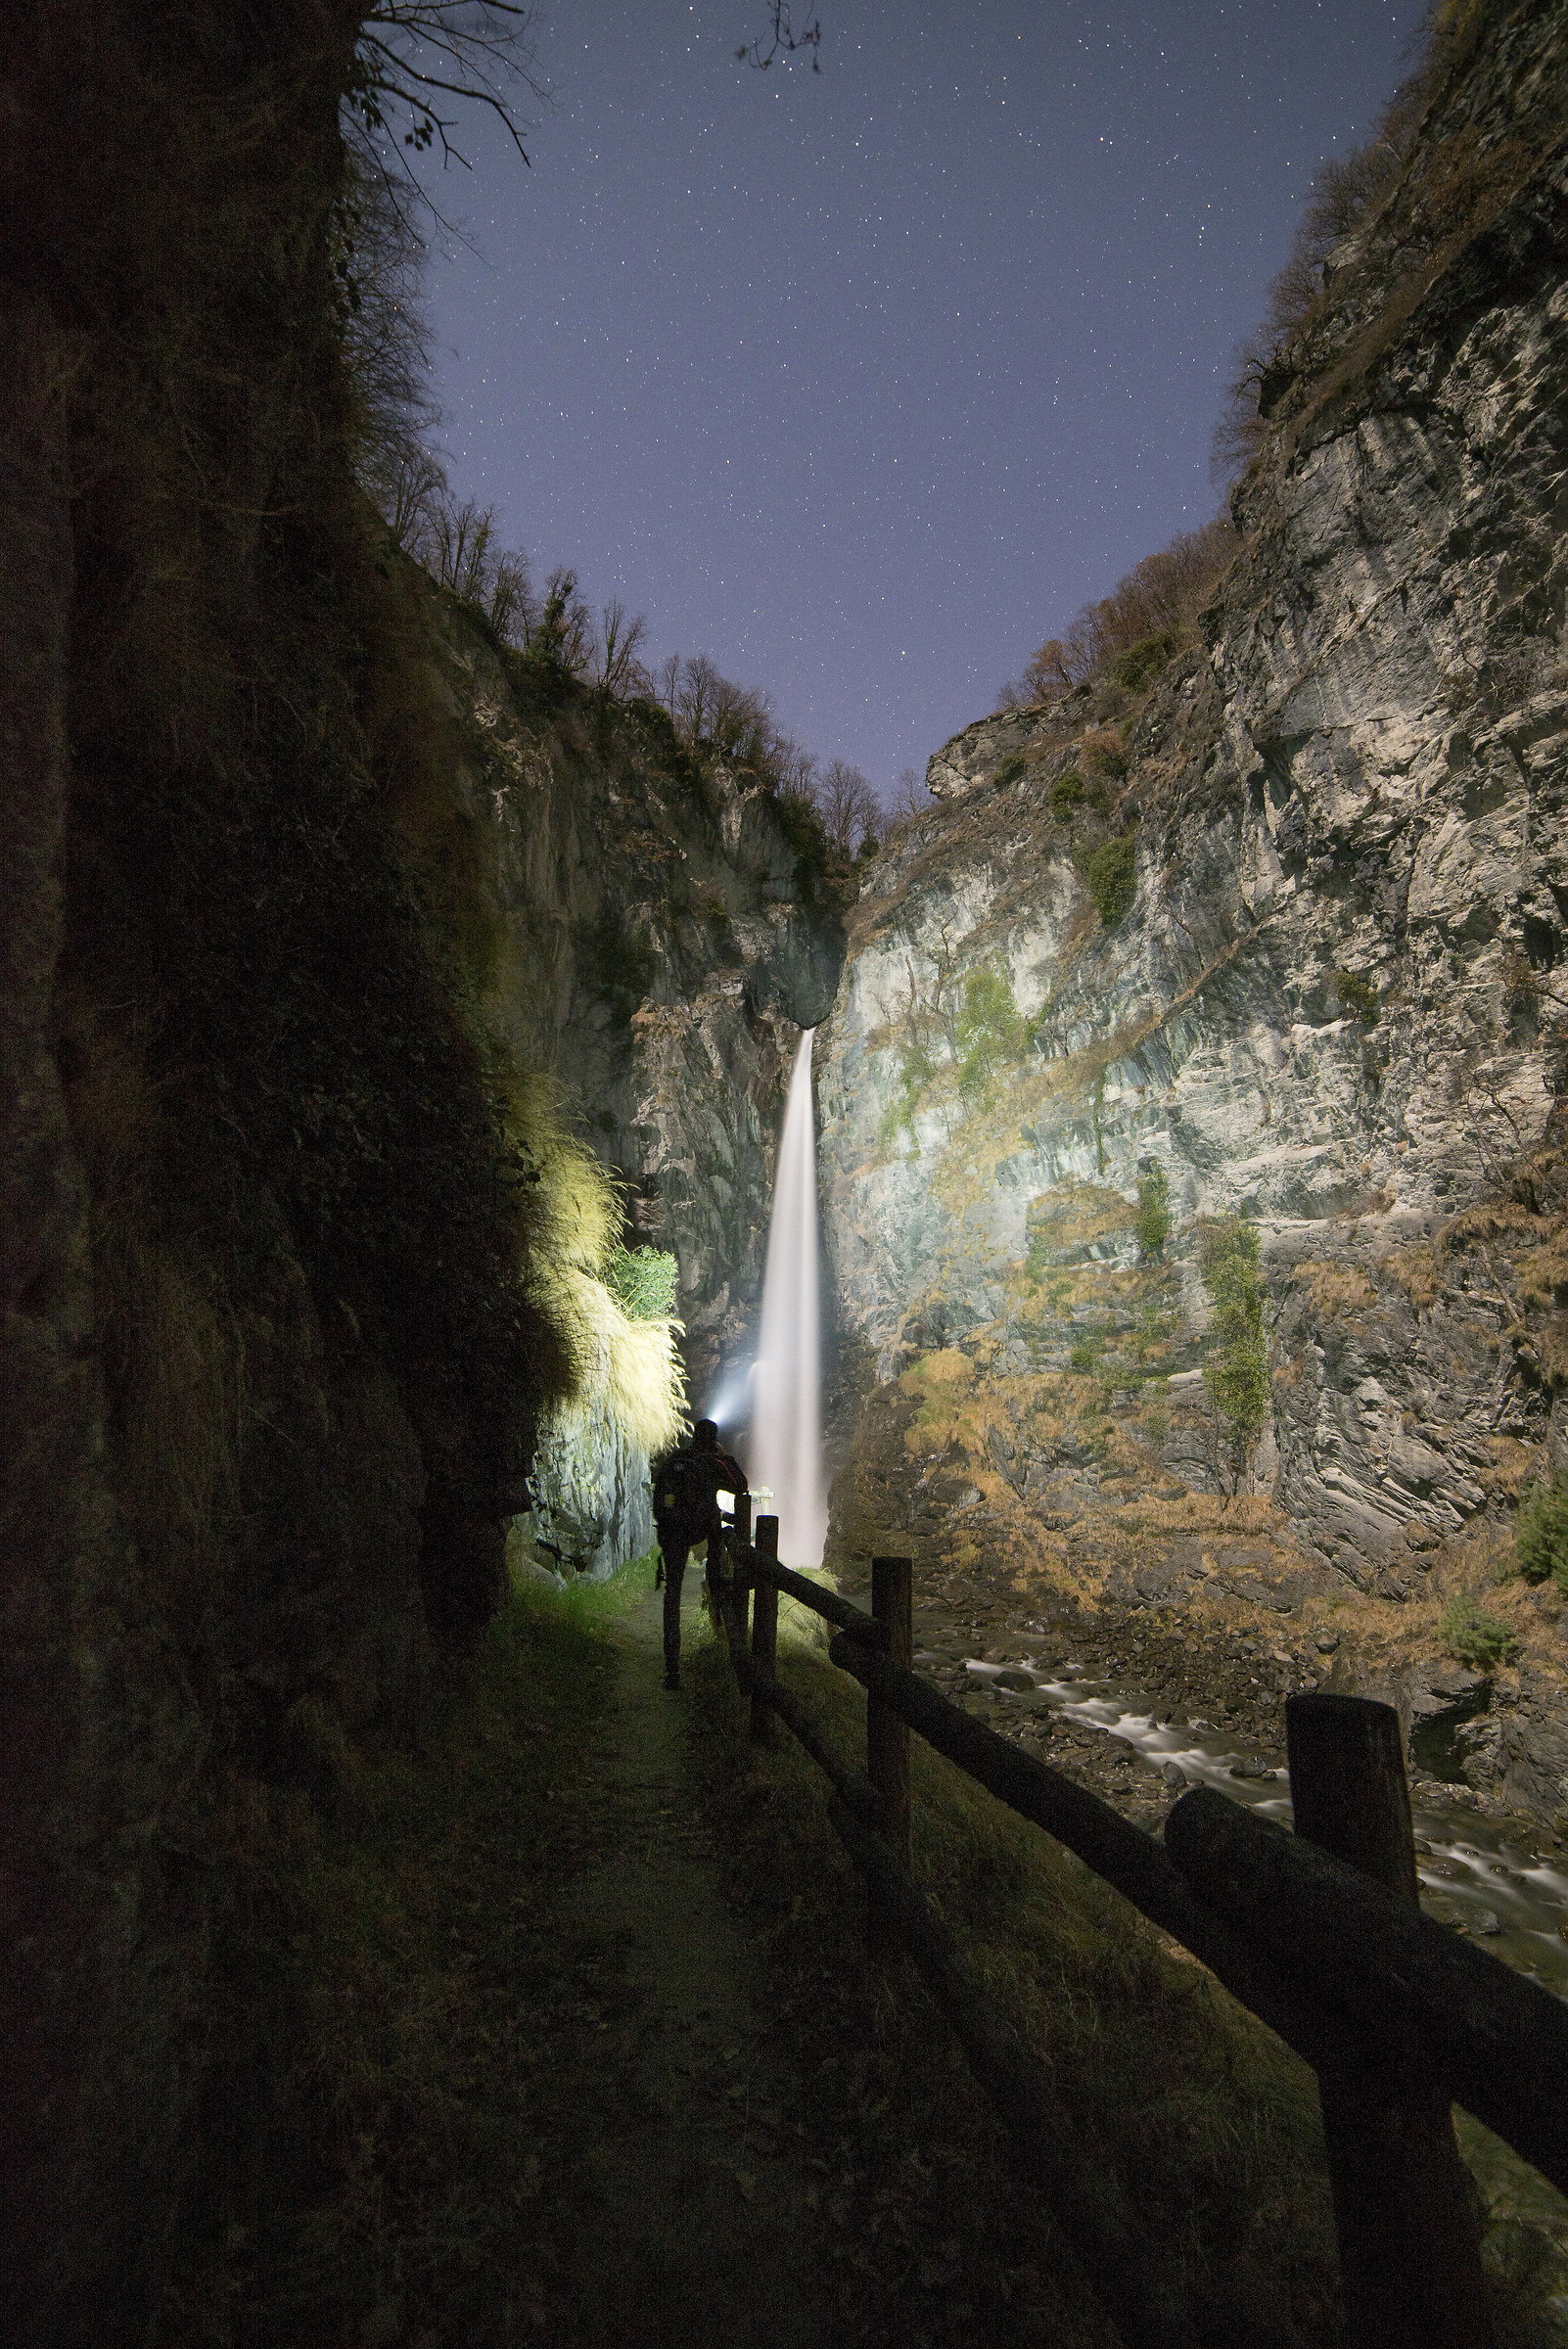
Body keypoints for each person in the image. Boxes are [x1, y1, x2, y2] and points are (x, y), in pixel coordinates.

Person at [651, 1419, 748, 1690]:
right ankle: (716, 1583)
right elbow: (741, 1484)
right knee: (716, 1541)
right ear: (713, 1440)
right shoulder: (712, 1464)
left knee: (673, 1597)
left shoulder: (677, 1459)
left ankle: (672, 1670)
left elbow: (659, 1498)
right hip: (702, 1531)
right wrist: (725, 1455)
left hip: (673, 1534)